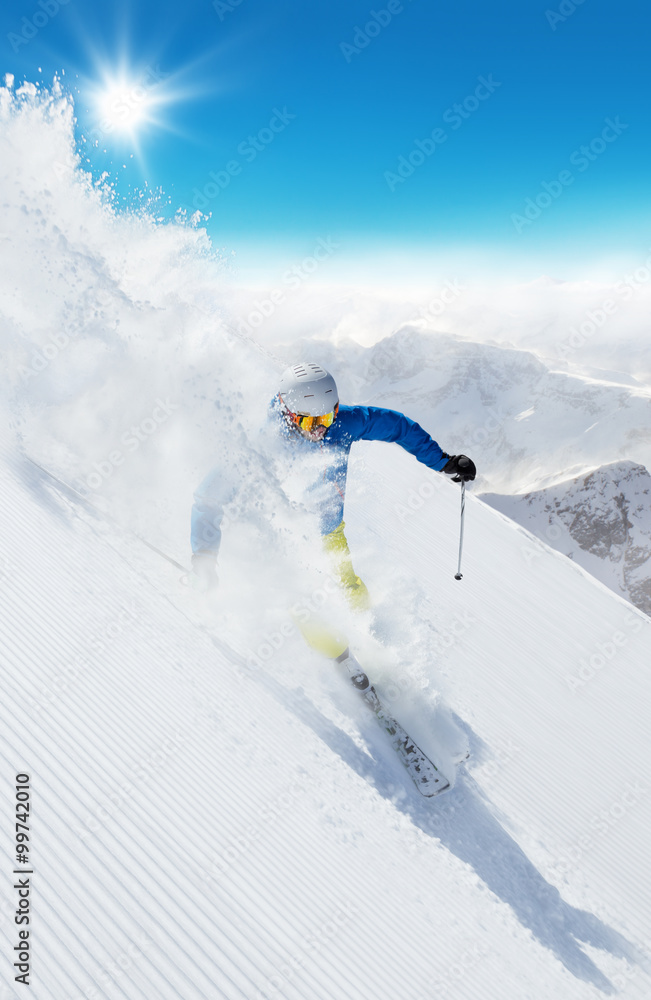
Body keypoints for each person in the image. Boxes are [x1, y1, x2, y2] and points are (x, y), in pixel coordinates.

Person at [190, 362, 476, 693]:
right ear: (288, 412)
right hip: (282, 535)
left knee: (350, 588)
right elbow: (208, 497)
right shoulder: (262, 441)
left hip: (329, 531)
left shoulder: (344, 423)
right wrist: (204, 555)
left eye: (326, 418)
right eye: (310, 421)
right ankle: (337, 655)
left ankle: (366, 641)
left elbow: (398, 427)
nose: (319, 430)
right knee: (302, 596)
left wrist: (444, 462)